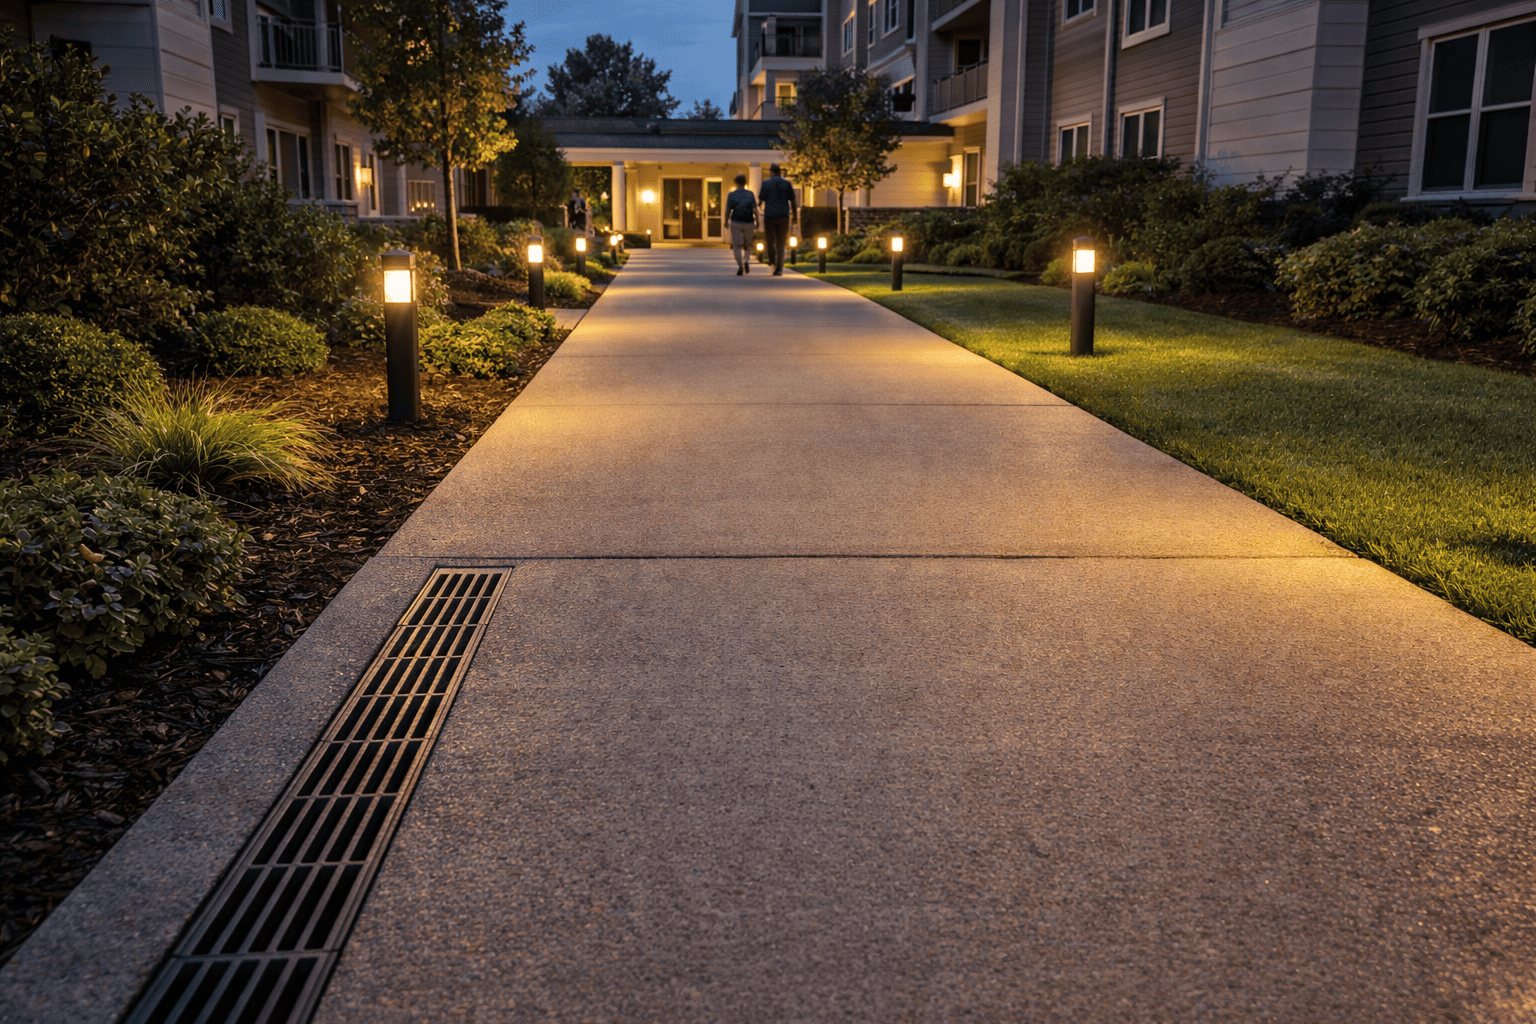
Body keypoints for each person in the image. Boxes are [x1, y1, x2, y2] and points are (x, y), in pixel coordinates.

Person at [757, 163, 797, 276]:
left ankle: (772, 261)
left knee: (770, 241)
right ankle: (779, 268)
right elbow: (793, 201)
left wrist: (757, 210)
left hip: (769, 216)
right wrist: (794, 216)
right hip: (784, 216)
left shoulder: (766, 183)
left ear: (771, 172)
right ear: (780, 172)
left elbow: (760, 202)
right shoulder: (787, 183)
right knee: (781, 242)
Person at [725, 173, 758, 276]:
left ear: (735, 183)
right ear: (745, 183)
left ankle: (740, 266)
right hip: (749, 221)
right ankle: (746, 261)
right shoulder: (750, 194)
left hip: (736, 222)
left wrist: (726, 221)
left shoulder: (731, 195)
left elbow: (727, 210)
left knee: (737, 246)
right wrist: (758, 221)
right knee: (748, 245)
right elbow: (755, 210)